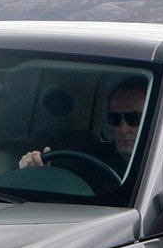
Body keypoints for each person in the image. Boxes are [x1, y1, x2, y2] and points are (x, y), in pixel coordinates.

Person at [19, 76, 149, 179]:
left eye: (134, 118)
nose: (123, 129)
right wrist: (35, 173)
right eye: (114, 119)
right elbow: (66, 190)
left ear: (153, 118)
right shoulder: (94, 161)